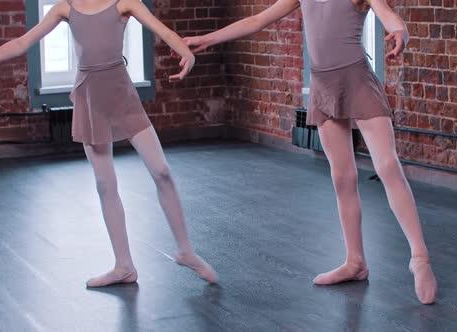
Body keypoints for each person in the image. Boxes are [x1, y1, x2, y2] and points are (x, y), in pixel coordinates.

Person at [183, 0, 437, 304]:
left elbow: (387, 14)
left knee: (387, 166)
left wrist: (400, 31)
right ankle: (355, 262)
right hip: (322, 84)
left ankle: (419, 258)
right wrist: (207, 39)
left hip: (356, 79)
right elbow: (257, 21)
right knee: (342, 176)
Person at [0, 0, 218, 287]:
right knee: (105, 183)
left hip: (121, 94)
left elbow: (164, 31)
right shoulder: (66, 8)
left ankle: (185, 250)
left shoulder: (125, 2)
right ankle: (124, 266)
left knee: (162, 171)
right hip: (89, 97)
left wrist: (186, 52)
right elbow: (23, 42)